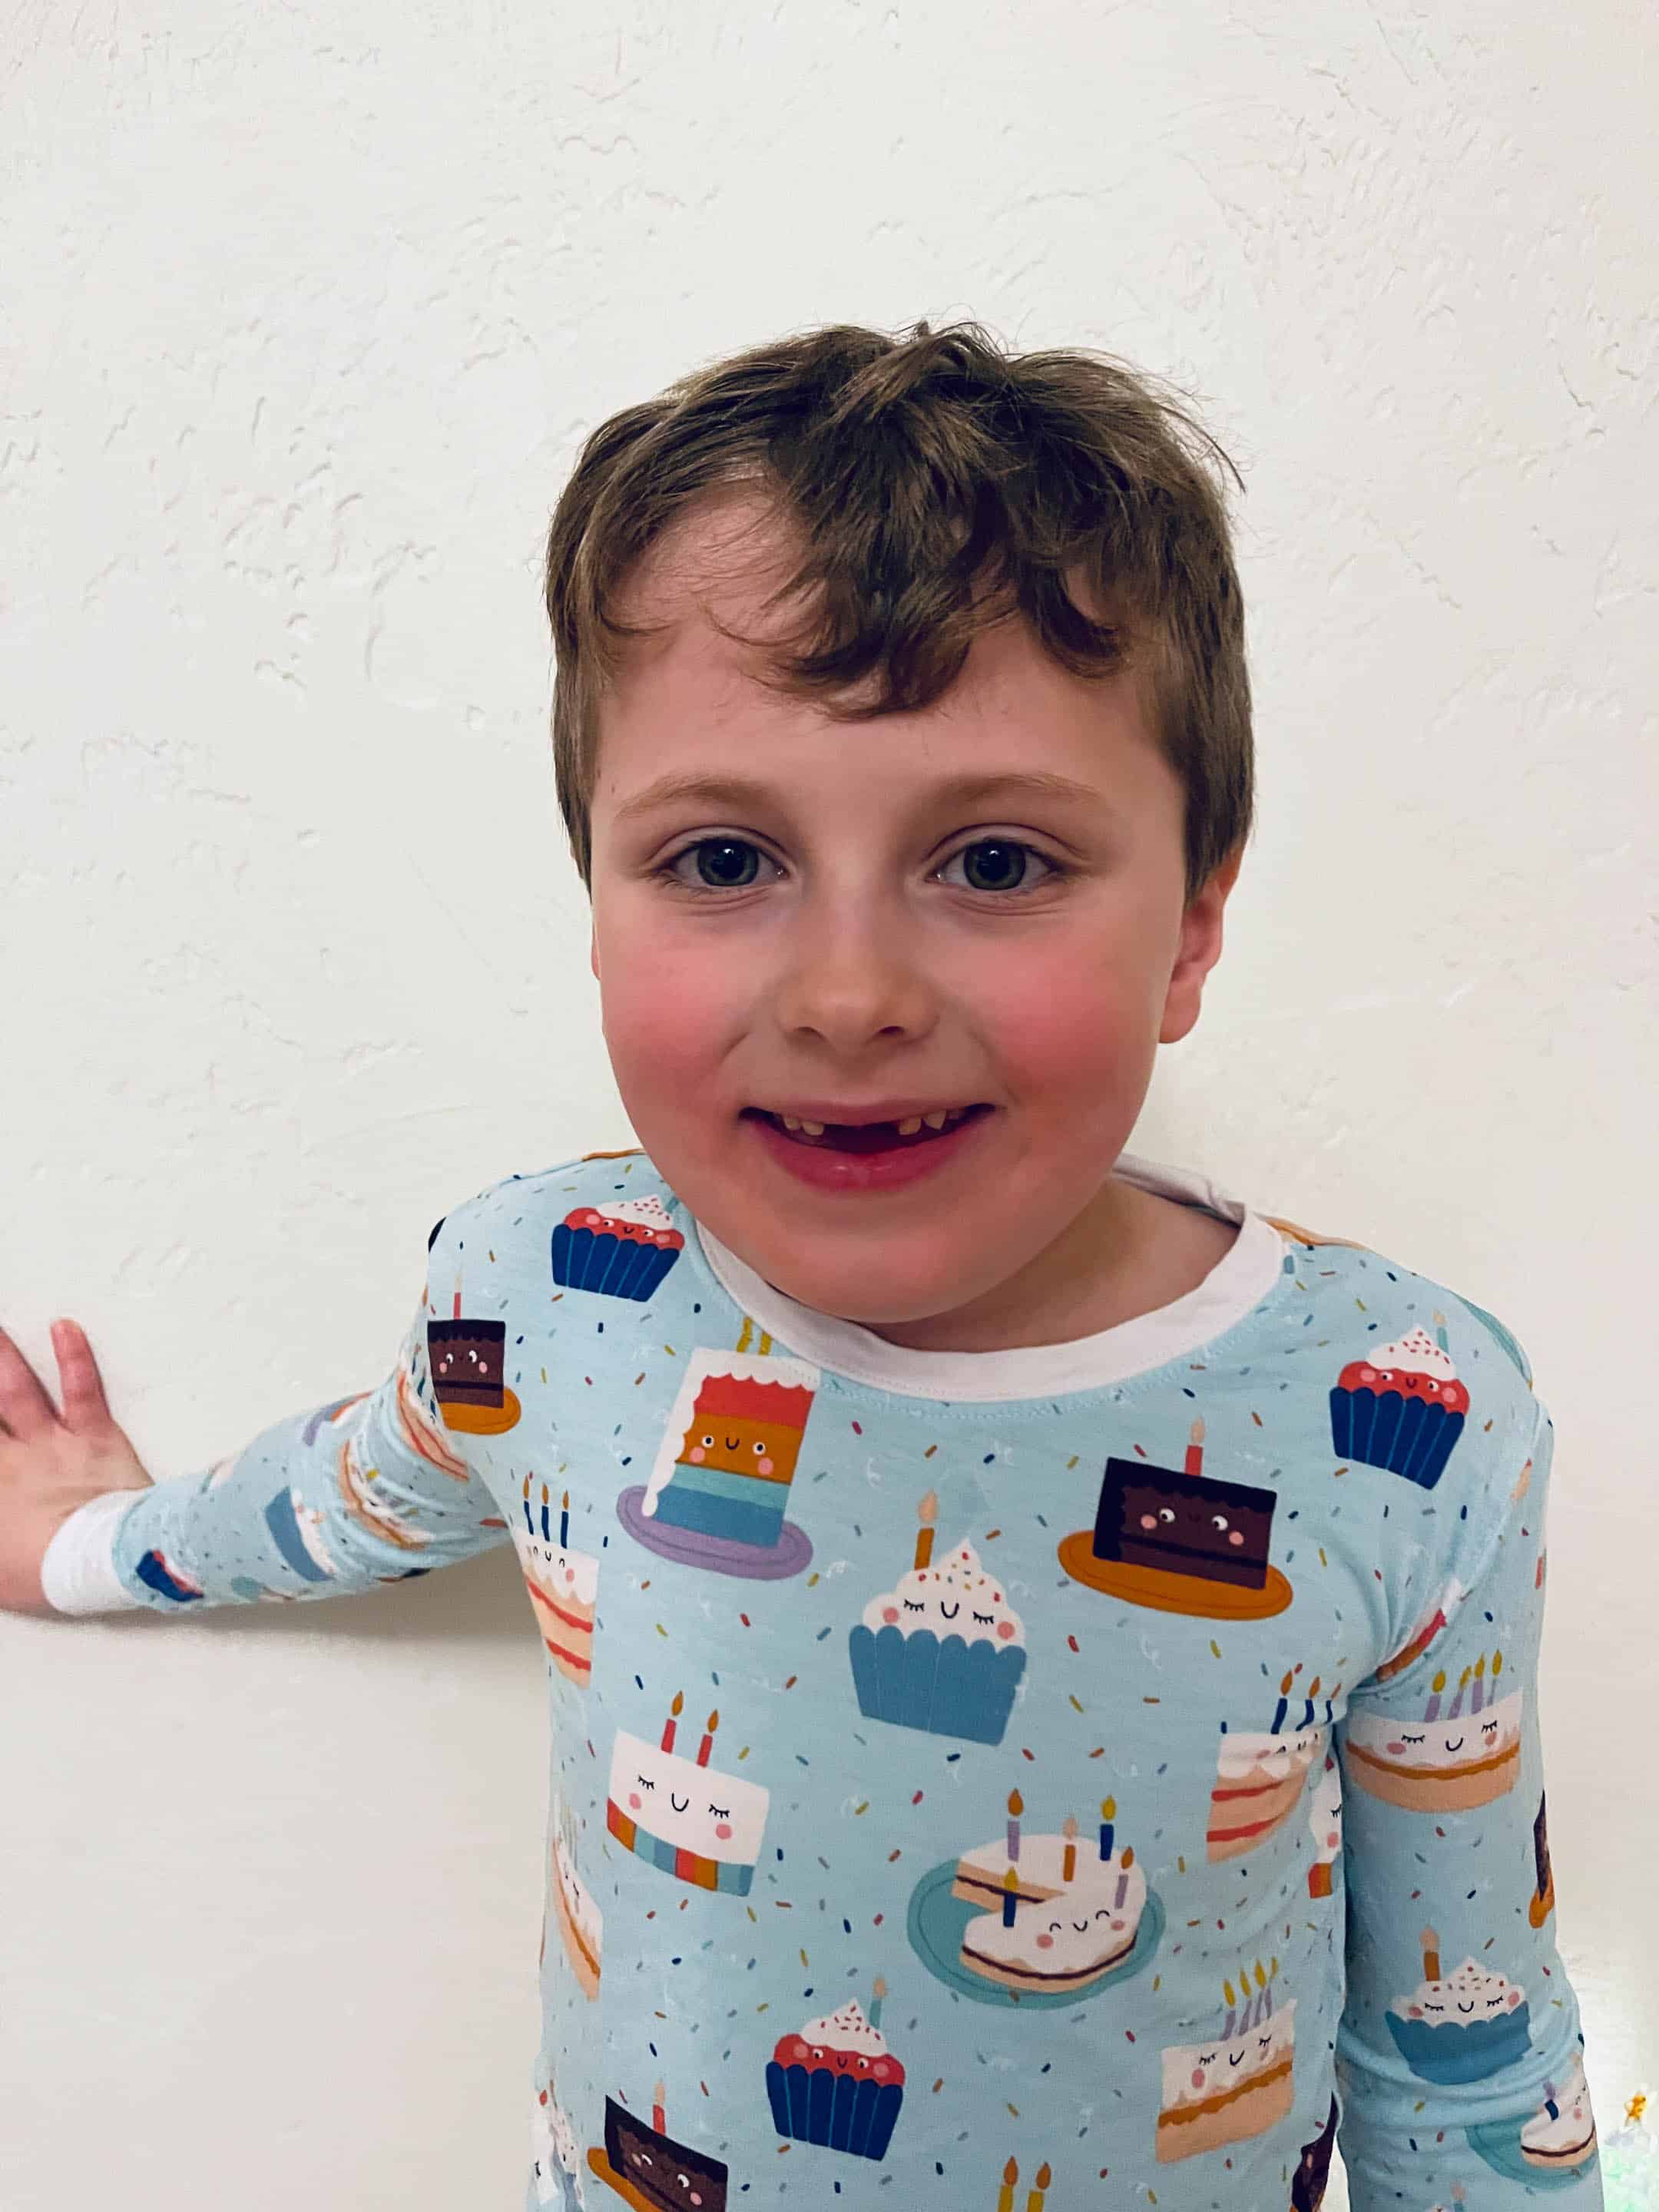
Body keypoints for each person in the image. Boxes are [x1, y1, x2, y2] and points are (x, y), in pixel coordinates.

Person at [4, 320, 1600, 2210]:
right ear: (593, 903)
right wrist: (87, 1544)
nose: (850, 997)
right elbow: (356, 1491)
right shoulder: (551, 1292)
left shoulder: (1406, 1417)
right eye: (721, 861)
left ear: (1190, 928)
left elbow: (1464, 2046)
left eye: (994, 863)